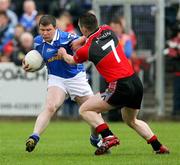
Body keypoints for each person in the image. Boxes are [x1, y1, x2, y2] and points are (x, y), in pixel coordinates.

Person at [58, 12, 170, 155]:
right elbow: (92, 36)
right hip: (135, 82)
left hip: (119, 85)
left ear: (83, 29)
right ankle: (158, 146)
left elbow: (71, 60)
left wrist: (63, 53)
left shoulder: (86, 50)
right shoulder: (107, 29)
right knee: (131, 120)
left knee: (85, 110)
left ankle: (108, 136)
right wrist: (82, 39)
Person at [22, 14, 102, 152]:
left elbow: (86, 42)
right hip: (56, 78)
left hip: (76, 77)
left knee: (94, 111)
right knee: (50, 106)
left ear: (55, 28)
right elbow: (38, 60)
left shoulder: (68, 38)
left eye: (48, 30)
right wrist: (29, 66)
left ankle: (95, 138)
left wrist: (74, 48)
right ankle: (34, 136)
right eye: (42, 30)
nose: (45, 33)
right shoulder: (37, 42)